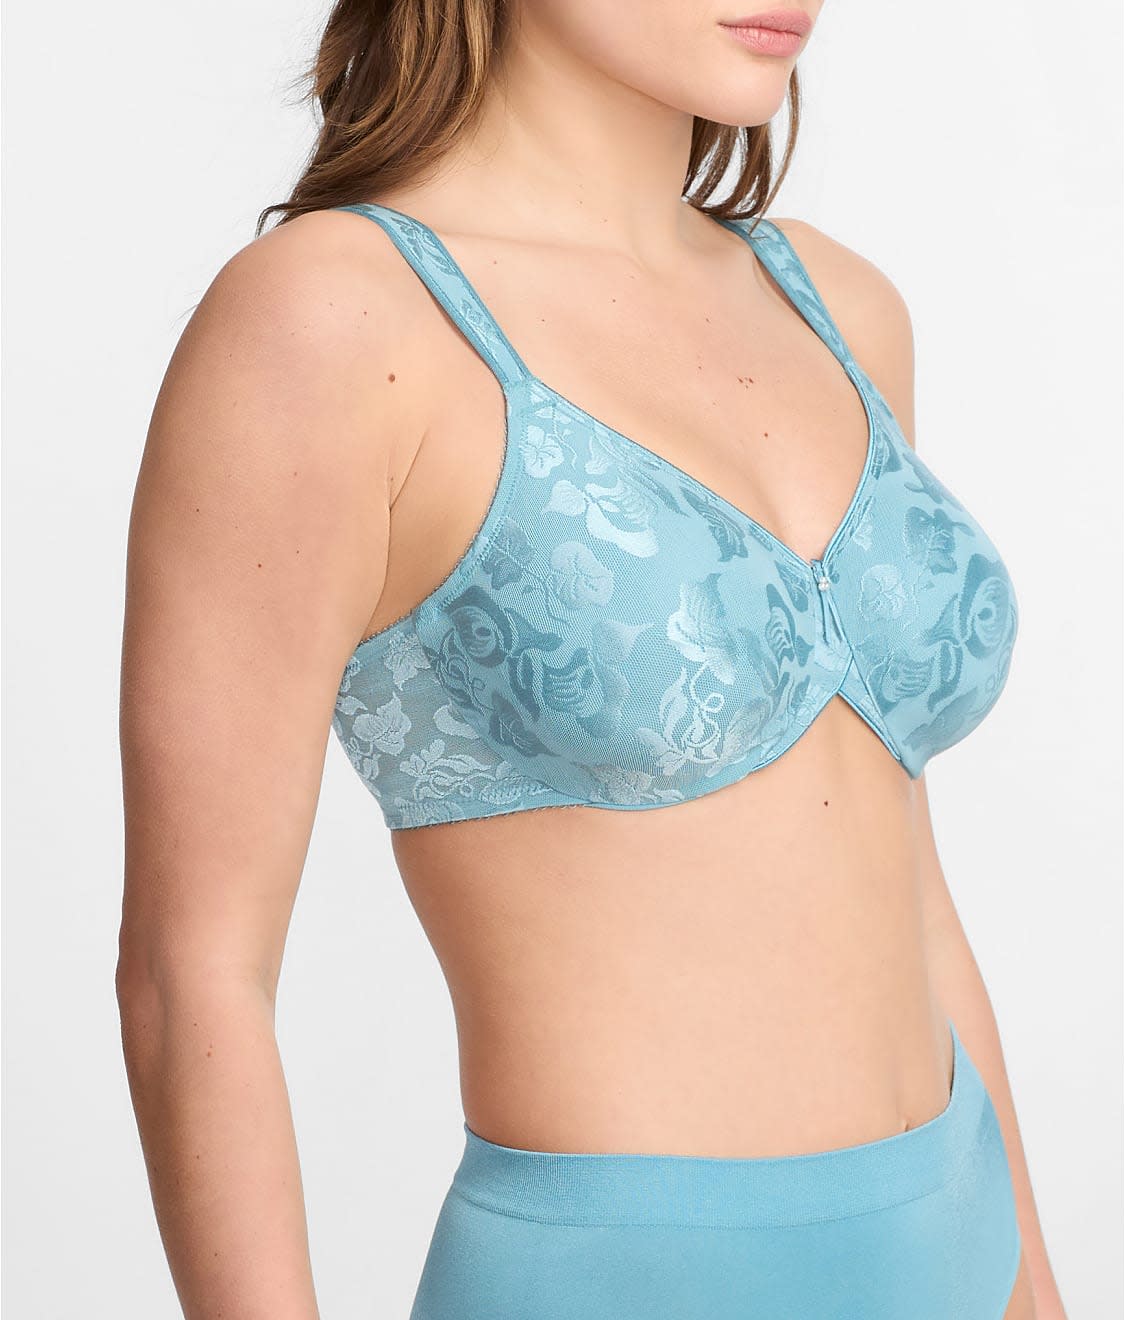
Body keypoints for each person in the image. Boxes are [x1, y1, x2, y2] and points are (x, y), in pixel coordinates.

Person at [116, 2, 1066, 1316]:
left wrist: (1032, 1288)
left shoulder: (839, 306)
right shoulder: (339, 320)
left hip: (958, 1245)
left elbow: (910, 888)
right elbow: (193, 974)